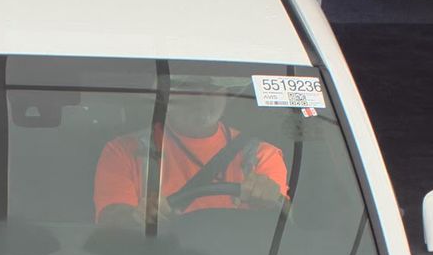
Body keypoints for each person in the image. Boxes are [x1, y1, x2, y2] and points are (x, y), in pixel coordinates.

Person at [93, 79, 289, 228]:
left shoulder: (261, 156)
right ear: (166, 95)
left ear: (226, 95)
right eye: (188, 87)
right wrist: (137, 218)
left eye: (212, 88)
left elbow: (285, 226)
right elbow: (112, 224)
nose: (201, 98)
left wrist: (268, 196)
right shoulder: (123, 152)